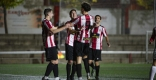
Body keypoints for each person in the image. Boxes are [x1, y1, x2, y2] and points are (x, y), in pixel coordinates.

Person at [41, 8, 70, 80]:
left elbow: (54, 28)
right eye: (52, 13)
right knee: (53, 61)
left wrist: (63, 25)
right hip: (49, 44)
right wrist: (64, 27)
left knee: (56, 61)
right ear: (48, 14)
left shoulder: (48, 22)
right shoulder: (46, 21)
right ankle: (45, 77)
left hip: (52, 44)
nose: (53, 14)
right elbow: (53, 31)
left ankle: (56, 77)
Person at [71, 2, 93, 80]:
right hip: (86, 41)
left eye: (81, 8)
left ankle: (80, 77)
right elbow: (90, 29)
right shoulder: (91, 18)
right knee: (85, 58)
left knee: (78, 60)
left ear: (83, 9)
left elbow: (71, 25)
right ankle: (88, 74)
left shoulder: (79, 18)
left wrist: (76, 29)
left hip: (79, 41)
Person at [88, 15, 110, 80]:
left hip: (98, 47)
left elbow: (106, 36)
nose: (97, 19)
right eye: (96, 18)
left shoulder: (102, 28)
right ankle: (93, 68)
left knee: (97, 62)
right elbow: (89, 36)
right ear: (95, 20)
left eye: (98, 18)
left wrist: (107, 42)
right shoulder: (92, 28)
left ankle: (97, 76)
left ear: (100, 20)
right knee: (89, 62)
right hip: (91, 47)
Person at [65, 9, 78, 80]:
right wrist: (79, 30)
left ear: (76, 14)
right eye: (72, 13)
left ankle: (72, 76)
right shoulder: (68, 23)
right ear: (70, 15)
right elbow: (71, 31)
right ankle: (68, 77)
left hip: (77, 43)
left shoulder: (79, 23)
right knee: (70, 61)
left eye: (74, 13)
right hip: (69, 43)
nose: (73, 14)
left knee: (76, 62)